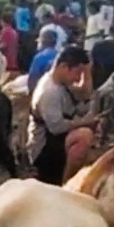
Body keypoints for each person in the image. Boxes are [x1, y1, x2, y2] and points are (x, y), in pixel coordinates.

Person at [29, 46, 100, 186]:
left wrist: (86, 72)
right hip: (45, 145)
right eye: (77, 73)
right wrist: (85, 122)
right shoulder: (49, 91)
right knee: (83, 136)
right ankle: (66, 184)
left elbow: (85, 95)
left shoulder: (63, 83)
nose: (78, 78)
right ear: (64, 67)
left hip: (58, 138)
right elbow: (56, 127)